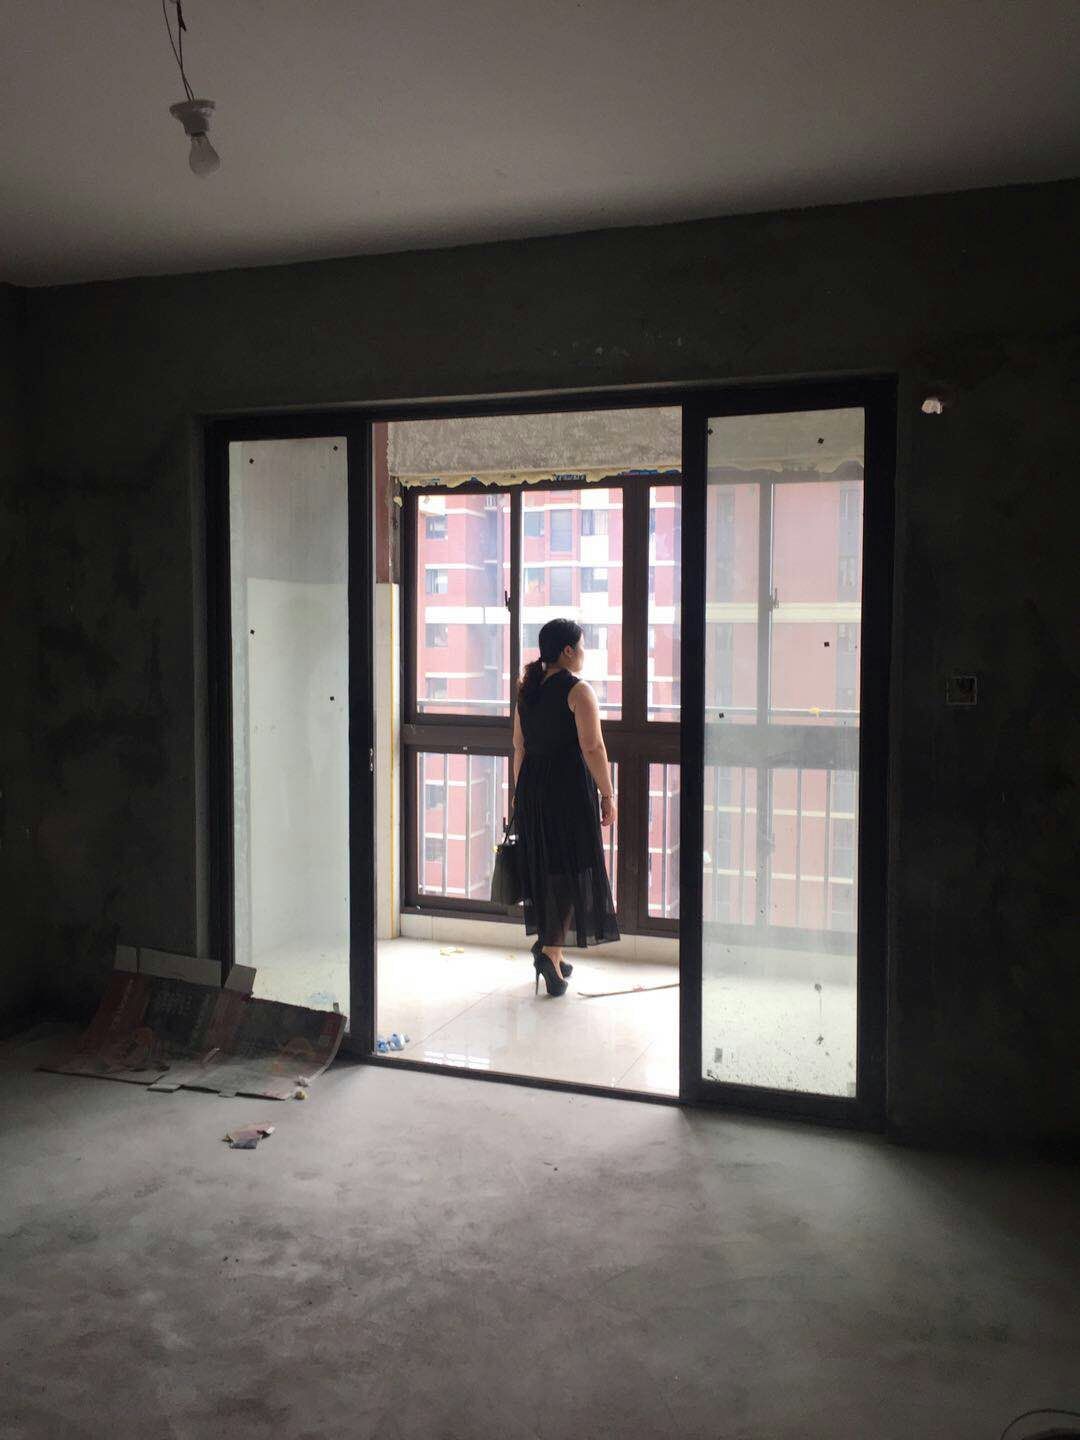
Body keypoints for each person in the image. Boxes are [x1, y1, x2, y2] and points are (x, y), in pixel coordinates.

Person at [512, 617, 619, 996]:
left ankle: (550, 944)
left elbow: (519, 746)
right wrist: (608, 794)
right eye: (582, 646)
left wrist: (520, 794)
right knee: (573, 868)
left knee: (548, 869)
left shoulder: (527, 689)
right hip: (567, 790)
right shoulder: (578, 690)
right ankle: (551, 953)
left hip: (532, 788)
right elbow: (593, 747)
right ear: (568, 651)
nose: (584, 653)